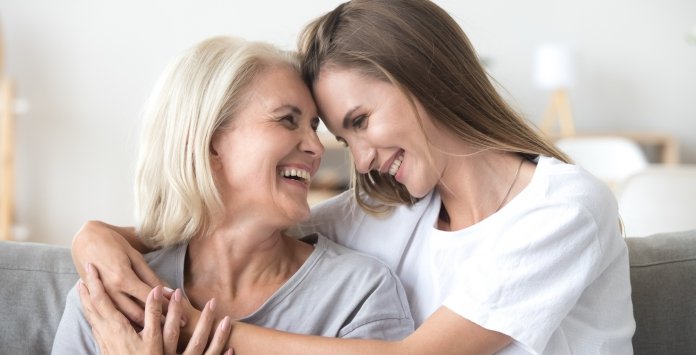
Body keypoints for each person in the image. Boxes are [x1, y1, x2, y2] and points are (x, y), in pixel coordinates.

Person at [71, 0, 635, 353]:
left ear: (424, 77)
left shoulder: (563, 206)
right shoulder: (391, 214)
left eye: (360, 121)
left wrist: (193, 328)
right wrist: (96, 235)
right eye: (347, 136)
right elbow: (237, 225)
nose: (358, 160)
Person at [52, 35, 414, 354]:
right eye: (288, 119)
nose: (315, 148)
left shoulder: (358, 294)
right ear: (209, 144)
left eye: (314, 127)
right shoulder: (110, 297)